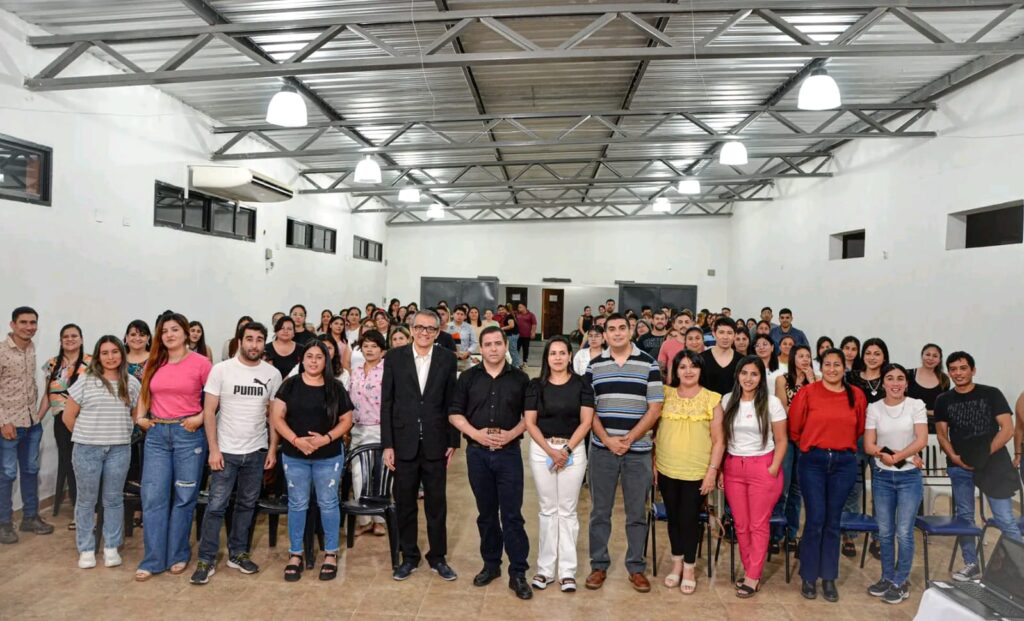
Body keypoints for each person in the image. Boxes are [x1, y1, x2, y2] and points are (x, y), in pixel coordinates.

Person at [190, 322, 282, 585]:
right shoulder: (221, 370)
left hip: (256, 451)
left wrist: (273, 448)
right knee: (216, 506)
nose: (254, 344)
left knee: (246, 505)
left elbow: (273, 415)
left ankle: (238, 553)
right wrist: (214, 449)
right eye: (249, 339)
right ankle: (206, 558)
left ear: (264, 343)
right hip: (226, 451)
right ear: (239, 341)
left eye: (259, 339)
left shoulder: (272, 374)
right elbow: (209, 412)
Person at [448, 327, 532, 599]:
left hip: (509, 454)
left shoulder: (520, 379)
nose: (493, 348)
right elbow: (454, 413)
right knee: (486, 513)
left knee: (512, 515)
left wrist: (512, 433)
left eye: (498, 343)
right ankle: (491, 564)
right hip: (477, 454)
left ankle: (518, 572)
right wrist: (476, 434)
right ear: (480, 348)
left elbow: (530, 417)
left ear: (506, 345)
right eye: (488, 344)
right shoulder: (468, 378)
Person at [585, 314, 663, 593]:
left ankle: (636, 566)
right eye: (611, 329)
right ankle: (598, 564)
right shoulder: (594, 366)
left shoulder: (649, 363)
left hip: (638, 451)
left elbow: (655, 408)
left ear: (631, 331)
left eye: (622, 328)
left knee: (636, 513)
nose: (617, 333)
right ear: (604, 334)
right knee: (599, 512)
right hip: (602, 450)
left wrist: (628, 439)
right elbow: (588, 410)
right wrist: (607, 439)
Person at [134, 312, 213, 581]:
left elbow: (214, 399)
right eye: (164, 330)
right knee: (153, 497)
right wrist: (140, 417)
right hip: (157, 434)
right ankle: (153, 559)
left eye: (174, 329)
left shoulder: (201, 363)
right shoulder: (154, 362)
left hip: (187, 435)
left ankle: (178, 554)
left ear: (185, 332)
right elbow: (145, 392)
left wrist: (200, 418)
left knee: (183, 498)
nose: (169, 334)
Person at [382, 310, 459, 582]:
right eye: (420, 327)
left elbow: (453, 402)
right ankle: (409, 557)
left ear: (438, 333)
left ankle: (438, 557)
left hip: (436, 443)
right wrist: (387, 444)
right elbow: (387, 403)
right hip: (403, 443)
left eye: (431, 329)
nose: (425, 332)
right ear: (411, 329)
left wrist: (453, 441)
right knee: (405, 503)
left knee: (437, 504)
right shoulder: (394, 357)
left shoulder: (447, 360)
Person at [934, 351, 1022, 582]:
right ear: (949, 372)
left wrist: (983, 456)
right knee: (965, 517)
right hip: (960, 465)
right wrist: (954, 457)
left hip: (994, 465)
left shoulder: (991, 394)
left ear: (973, 370)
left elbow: (1007, 429)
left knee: (1004, 518)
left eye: (963, 368)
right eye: (953, 369)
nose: (958, 373)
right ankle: (971, 563)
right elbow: (942, 434)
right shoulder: (944, 400)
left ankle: (1020, 568)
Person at [270, 341, 353, 582]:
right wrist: (296, 441)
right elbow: (277, 417)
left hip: (328, 456)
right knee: (297, 504)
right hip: (295, 456)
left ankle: (330, 553)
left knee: (328, 503)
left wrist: (325, 438)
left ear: (326, 361)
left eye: (319, 357)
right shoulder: (290, 385)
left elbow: (346, 420)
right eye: (309, 356)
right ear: (302, 360)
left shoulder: (335, 387)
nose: (314, 361)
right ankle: (295, 554)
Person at [788, 348, 866, 603]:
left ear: (845, 367)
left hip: (844, 463)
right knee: (815, 519)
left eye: (837, 365)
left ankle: (829, 577)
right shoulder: (808, 393)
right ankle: (809, 576)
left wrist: (838, 446)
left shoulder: (857, 395)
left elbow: (860, 428)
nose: (832, 369)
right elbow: (795, 429)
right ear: (821, 367)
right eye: (828, 364)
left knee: (833, 521)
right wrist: (816, 447)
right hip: (813, 462)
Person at [523, 336, 594, 593]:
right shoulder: (535, 386)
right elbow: (530, 422)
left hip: (572, 452)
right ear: (547, 358)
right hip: (543, 451)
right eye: (553, 353)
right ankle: (544, 569)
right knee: (547, 510)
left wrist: (564, 450)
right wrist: (551, 451)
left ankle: (567, 572)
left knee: (567, 511)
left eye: (562, 353)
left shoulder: (582, 384)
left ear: (570, 356)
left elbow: (586, 422)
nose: (557, 357)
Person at [62, 335, 140, 568]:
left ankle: (111, 547)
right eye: (104, 353)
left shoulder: (132, 383)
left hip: (118, 450)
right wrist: (88, 436)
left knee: (113, 500)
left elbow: (136, 416)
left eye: (115, 352)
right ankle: (86, 548)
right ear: (98, 356)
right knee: (86, 500)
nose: (110, 357)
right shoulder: (85, 381)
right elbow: (68, 417)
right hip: (87, 450)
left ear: (122, 354)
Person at [655, 350, 722, 595]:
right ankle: (676, 565)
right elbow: (656, 429)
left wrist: (712, 471)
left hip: (697, 471)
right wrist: (654, 462)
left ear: (701, 370)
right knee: (673, 518)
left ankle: (690, 568)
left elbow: (719, 441)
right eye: (682, 367)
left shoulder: (712, 399)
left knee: (690, 520)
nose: (688, 371)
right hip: (667, 467)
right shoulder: (665, 394)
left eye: (693, 366)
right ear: (675, 371)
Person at [721, 356, 788, 598]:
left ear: (761, 378)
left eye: (754, 374)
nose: (748, 378)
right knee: (740, 524)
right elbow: (723, 438)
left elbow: (782, 440)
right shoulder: (727, 400)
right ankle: (751, 569)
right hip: (733, 468)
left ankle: (753, 575)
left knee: (758, 524)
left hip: (763, 467)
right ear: (738, 375)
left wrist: (773, 468)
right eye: (744, 373)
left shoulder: (772, 403)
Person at [863, 363, 928, 605]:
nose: (895, 383)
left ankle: (901, 582)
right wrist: (884, 455)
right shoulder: (874, 408)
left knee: (904, 532)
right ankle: (887, 577)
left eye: (900, 378)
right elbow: (869, 444)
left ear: (906, 383)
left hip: (909, 477)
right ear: (883, 383)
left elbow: (921, 439)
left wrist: (896, 457)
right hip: (882, 477)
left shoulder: (916, 405)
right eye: (890, 378)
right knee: (885, 532)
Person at [0, 307, 54, 545]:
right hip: (9, 425)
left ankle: (30, 517)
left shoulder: (31, 349)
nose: (29, 327)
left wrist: (38, 416)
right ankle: (3, 523)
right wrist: (3, 421)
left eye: (33, 322)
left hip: (31, 423)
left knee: (31, 471)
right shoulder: (1, 352)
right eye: (23, 322)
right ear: (12, 324)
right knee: (7, 474)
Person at [39, 323, 90, 527]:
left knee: (85, 465)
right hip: (61, 420)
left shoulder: (92, 362)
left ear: (81, 339)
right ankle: (78, 511)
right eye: (66, 336)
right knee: (70, 463)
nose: (70, 339)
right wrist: (37, 417)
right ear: (61, 341)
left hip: (84, 419)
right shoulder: (52, 364)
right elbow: (47, 395)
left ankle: (88, 508)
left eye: (74, 336)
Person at [842, 337, 888, 558]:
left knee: (881, 489)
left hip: (884, 440)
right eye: (868, 353)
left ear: (884, 357)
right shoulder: (850, 377)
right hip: (856, 437)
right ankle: (849, 534)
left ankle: (879, 537)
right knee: (853, 487)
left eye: (877, 353)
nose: (872, 357)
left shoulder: (890, 379)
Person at [771, 345, 817, 553]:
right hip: (787, 437)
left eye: (808, 356)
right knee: (783, 486)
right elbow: (783, 408)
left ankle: (791, 533)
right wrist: (804, 412)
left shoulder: (815, 382)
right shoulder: (783, 379)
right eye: (801, 356)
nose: (805, 359)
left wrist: (813, 380)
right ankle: (775, 533)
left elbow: (819, 407)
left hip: (808, 439)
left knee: (798, 489)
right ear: (792, 358)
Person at [348, 329, 388, 537]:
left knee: (380, 477)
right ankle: (364, 520)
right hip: (358, 429)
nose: (369, 350)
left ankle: (380, 519)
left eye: (374, 346)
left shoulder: (388, 371)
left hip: (381, 429)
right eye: (366, 346)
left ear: (382, 350)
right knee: (358, 475)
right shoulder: (355, 371)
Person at [907, 343, 950, 433]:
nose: (930, 358)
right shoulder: (908, 375)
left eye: (935, 356)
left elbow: (944, 408)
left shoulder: (944, 379)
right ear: (922, 356)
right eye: (927, 354)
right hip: (909, 425)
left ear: (939, 360)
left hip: (935, 428)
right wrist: (928, 412)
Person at [699, 317, 738, 395]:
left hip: (734, 405)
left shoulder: (742, 360)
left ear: (735, 335)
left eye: (729, 333)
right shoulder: (701, 358)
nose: (725, 337)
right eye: (721, 332)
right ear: (714, 334)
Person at [658, 313, 693, 380]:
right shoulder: (666, 344)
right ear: (674, 325)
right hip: (672, 387)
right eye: (680, 322)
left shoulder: (697, 344)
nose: (684, 325)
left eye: (687, 322)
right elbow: (660, 370)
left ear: (691, 324)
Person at [515, 303, 537, 368]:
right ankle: (516, 362)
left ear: (525, 307)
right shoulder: (517, 314)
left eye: (520, 307)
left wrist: (533, 333)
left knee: (525, 349)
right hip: (517, 335)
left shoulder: (531, 315)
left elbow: (534, 324)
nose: (519, 308)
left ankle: (525, 362)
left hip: (526, 335)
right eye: (518, 307)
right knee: (516, 349)